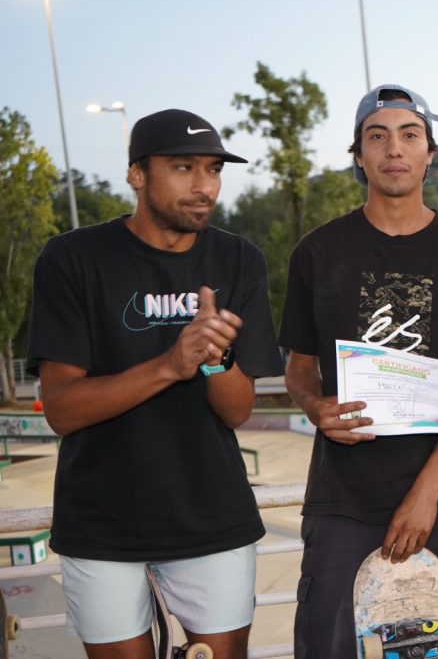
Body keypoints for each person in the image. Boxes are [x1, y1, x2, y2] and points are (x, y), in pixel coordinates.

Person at [27, 109, 283, 659]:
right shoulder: (73, 258)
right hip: (101, 521)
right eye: (183, 167)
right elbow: (62, 409)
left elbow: (237, 412)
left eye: (213, 169)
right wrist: (171, 363)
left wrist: (215, 361)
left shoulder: (238, 258)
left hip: (211, 515)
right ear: (137, 174)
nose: (203, 185)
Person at [279, 84, 438, 658]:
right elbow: (299, 368)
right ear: (359, 154)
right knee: (328, 646)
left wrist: (426, 493)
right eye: (377, 136)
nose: (394, 148)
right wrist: (315, 406)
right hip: (345, 497)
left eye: (410, 135)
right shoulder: (317, 252)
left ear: (429, 153)